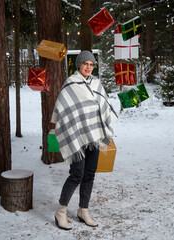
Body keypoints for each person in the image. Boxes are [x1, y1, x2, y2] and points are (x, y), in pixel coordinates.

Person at [51, 50, 118, 230]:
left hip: (94, 135)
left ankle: (83, 210)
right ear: (78, 65)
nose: (88, 67)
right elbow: (64, 111)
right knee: (77, 174)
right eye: (85, 64)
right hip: (76, 137)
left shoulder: (96, 83)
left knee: (90, 173)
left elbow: (102, 105)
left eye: (91, 64)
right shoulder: (70, 84)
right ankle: (61, 212)